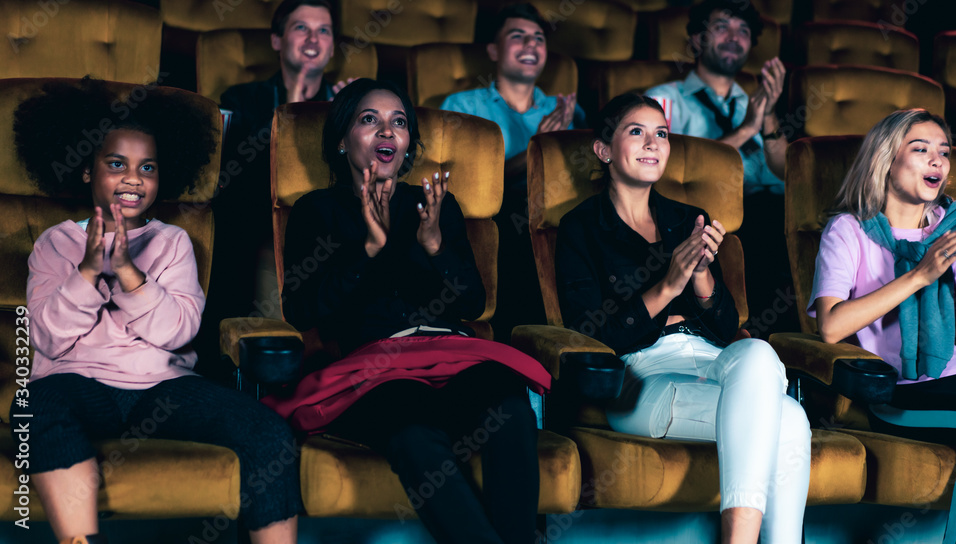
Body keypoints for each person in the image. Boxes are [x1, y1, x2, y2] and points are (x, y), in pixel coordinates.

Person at [10, 79, 301, 544]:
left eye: (147, 167)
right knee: (31, 406)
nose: (133, 178)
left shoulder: (172, 242)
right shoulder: (55, 243)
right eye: (116, 165)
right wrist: (87, 271)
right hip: (77, 385)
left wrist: (128, 273)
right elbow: (46, 338)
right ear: (87, 171)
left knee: (266, 429)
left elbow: (178, 331)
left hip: (163, 389)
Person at [263, 78, 551, 544]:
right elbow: (303, 310)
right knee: (414, 432)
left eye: (398, 122)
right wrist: (369, 249)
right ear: (341, 141)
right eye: (369, 120)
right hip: (372, 369)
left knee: (511, 409)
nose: (387, 132)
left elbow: (474, 304)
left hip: (451, 353)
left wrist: (436, 245)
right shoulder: (317, 210)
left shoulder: (435, 205)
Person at [556, 93, 810, 544]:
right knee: (790, 420)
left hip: (712, 361)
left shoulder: (687, 219)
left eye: (662, 134)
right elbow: (591, 335)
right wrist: (669, 284)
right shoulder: (581, 228)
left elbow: (727, 328)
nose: (653, 142)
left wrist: (701, 274)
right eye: (637, 131)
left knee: (756, 349)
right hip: (642, 376)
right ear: (603, 150)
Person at [811, 109, 956, 543]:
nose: (937, 160)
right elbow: (831, 327)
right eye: (921, 150)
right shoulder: (848, 231)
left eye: (944, 153)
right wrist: (919, 276)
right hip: (902, 388)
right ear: (885, 160)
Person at [199, 0, 352, 368]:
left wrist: (360, 117)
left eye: (324, 30)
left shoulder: (349, 103)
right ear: (276, 40)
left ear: (332, 47)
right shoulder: (242, 98)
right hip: (252, 228)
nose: (313, 38)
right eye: (301, 27)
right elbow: (228, 178)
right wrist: (292, 114)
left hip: (327, 229)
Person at [645, 0, 795, 337]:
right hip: (700, 216)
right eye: (722, 26)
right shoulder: (664, 100)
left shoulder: (752, 101)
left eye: (743, 31)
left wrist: (768, 114)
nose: (734, 36)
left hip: (765, 212)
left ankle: (786, 344)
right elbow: (660, 169)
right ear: (697, 39)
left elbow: (788, 173)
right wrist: (745, 130)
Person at [439, 2, 585, 343]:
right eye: (518, 36)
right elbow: (461, 189)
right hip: (496, 223)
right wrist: (540, 145)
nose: (531, 45)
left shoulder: (563, 110)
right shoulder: (462, 107)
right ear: (493, 49)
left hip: (557, 222)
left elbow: (583, 181)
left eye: (538, 38)